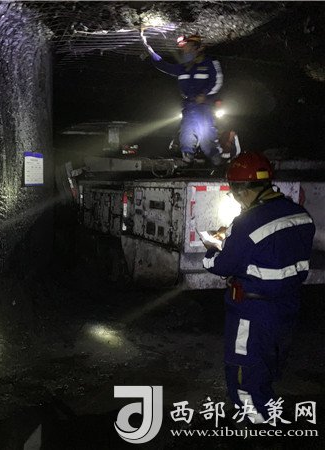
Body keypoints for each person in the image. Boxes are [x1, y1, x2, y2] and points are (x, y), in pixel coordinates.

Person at [201, 152, 315, 424]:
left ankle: (256, 425)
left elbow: (222, 265)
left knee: (245, 370)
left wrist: (212, 248)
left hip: (252, 311)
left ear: (241, 190)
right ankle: (268, 412)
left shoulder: (247, 222)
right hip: (287, 305)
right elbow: (272, 253)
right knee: (268, 363)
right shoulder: (300, 215)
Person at [142, 33, 224, 165]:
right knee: (186, 131)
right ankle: (187, 155)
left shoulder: (210, 63)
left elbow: (217, 81)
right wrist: (150, 52)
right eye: (185, 48)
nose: (185, 50)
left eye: (188, 47)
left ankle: (215, 156)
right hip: (189, 105)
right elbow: (164, 65)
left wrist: (204, 94)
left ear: (197, 48)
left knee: (206, 132)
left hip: (204, 106)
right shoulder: (183, 67)